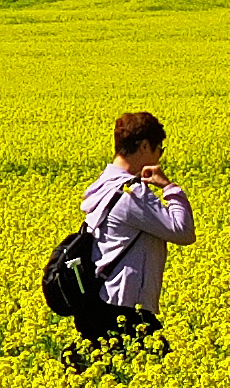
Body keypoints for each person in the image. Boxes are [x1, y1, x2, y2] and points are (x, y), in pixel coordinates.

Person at [74, 109, 194, 356]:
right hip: (125, 307)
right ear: (144, 146)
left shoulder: (102, 186)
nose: (160, 156)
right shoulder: (131, 194)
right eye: (159, 148)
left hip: (100, 302)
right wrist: (170, 188)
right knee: (158, 374)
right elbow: (183, 232)